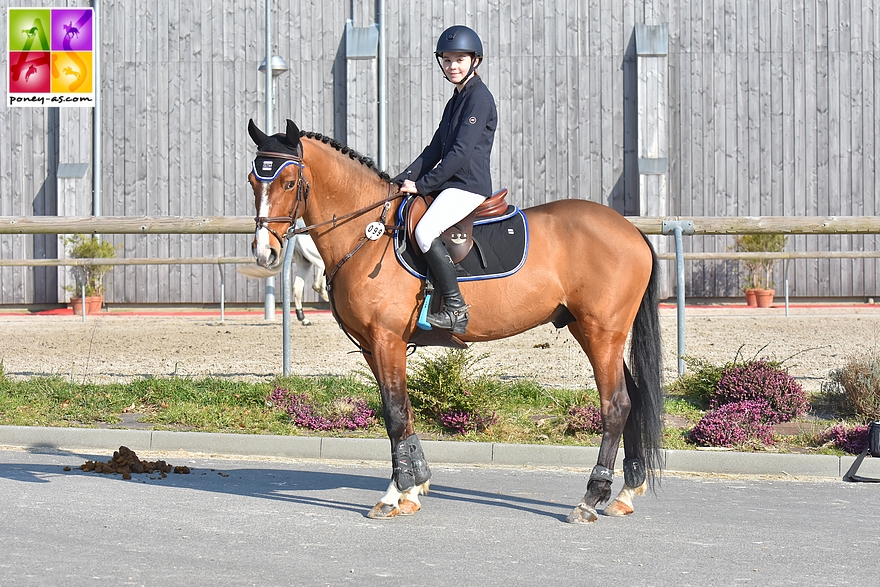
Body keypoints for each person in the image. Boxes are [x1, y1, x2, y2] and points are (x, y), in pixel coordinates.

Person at [394, 25, 498, 335]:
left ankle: (455, 309)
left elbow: (460, 154)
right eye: (448, 60)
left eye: (459, 60)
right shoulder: (455, 101)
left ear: (474, 61)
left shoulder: (479, 98)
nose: (453, 67)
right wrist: (401, 179)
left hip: (469, 186)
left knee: (425, 231)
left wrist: (422, 186)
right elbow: (435, 149)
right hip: (451, 184)